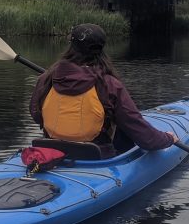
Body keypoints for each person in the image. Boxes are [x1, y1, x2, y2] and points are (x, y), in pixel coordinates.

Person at [29, 23, 178, 158]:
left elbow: (37, 116)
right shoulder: (109, 85)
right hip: (95, 155)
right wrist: (167, 139)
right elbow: (144, 137)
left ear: (71, 45)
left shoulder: (46, 79)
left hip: (52, 151)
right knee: (122, 127)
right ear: (101, 48)